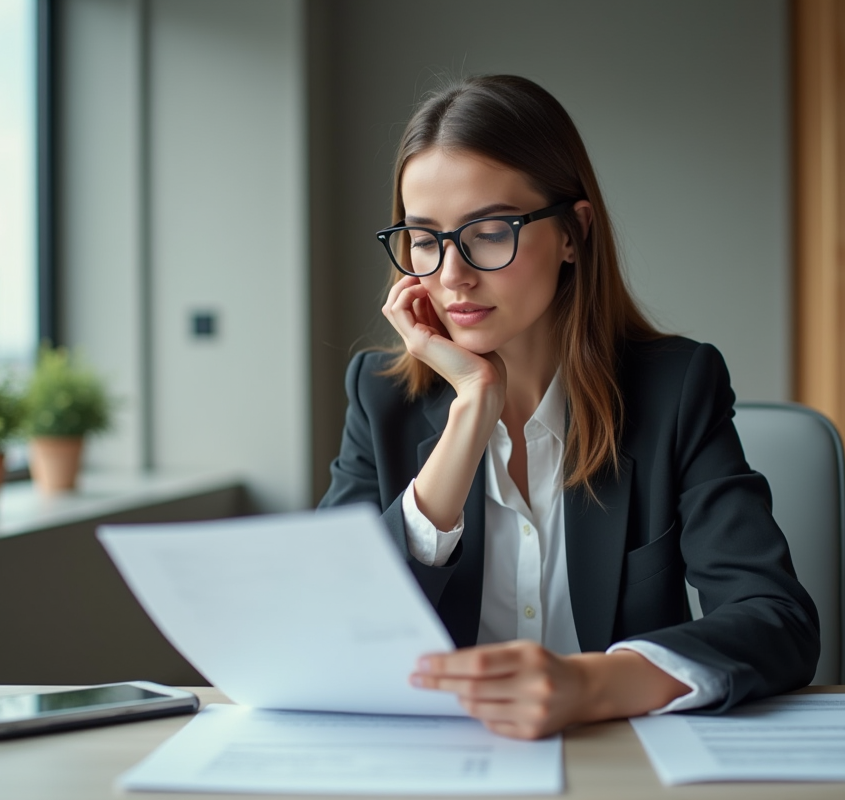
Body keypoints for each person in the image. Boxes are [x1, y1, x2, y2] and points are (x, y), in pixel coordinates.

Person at [319, 74, 819, 740]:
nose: (452, 275)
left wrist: (588, 683)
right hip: (434, 770)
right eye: (425, 238)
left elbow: (774, 618)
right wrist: (470, 415)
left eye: (489, 231)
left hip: (626, 765)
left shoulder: (675, 389)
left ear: (572, 235)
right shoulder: (381, 397)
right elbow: (323, 630)